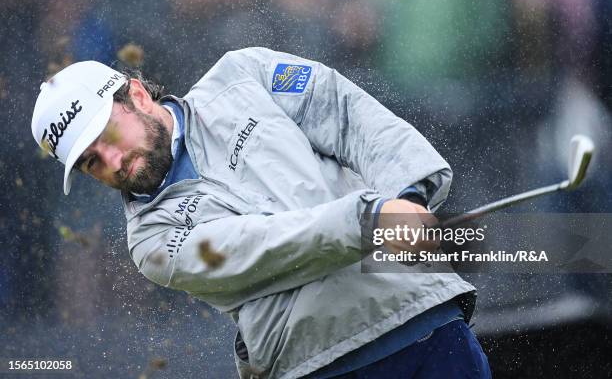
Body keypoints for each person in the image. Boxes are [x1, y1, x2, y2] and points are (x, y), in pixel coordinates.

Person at [31, 47, 490, 378]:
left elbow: (348, 115)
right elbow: (266, 245)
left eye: (107, 136)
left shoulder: (241, 75)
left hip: (427, 325)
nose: (110, 162)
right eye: (91, 161)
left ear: (136, 95)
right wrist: (370, 218)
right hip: (319, 367)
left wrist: (409, 195)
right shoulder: (151, 241)